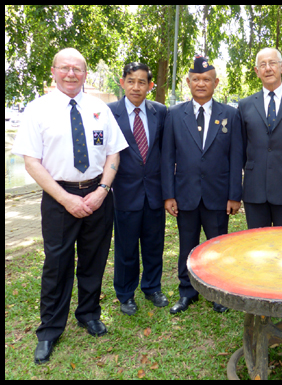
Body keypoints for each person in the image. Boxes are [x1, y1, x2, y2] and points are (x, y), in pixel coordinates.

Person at [11, 48, 128, 364]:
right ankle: (50, 330)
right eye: (65, 68)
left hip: (98, 195)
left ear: (86, 73)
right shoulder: (38, 110)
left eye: (78, 68)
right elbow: (32, 162)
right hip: (58, 196)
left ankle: (89, 314)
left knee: (94, 258)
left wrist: (103, 190)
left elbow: (113, 153)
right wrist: (65, 199)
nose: (72, 73)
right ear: (54, 71)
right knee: (57, 264)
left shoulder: (99, 109)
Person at [161, 56, 243, 314]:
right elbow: (167, 157)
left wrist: (234, 195)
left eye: (206, 79)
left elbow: (236, 156)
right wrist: (168, 195)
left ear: (216, 83)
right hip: (185, 194)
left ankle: (219, 292)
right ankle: (187, 291)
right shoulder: (174, 114)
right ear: (188, 82)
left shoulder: (230, 114)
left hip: (218, 196)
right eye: (195, 79)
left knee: (217, 246)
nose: (200, 83)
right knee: (187, 244)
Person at [107, 62, 169, 316]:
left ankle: (152, 287)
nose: (136, 86)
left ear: (150, 86)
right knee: (126, 248)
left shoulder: (161, 113)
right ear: (122, 82)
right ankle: (125, 293)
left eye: (142, 82)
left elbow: (166, 153)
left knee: (154, 245)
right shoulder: (109, 113)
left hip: (155, 193)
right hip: (124, 193)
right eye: (131, 81)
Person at [238, 48, 282, 228]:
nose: (268, 68)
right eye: (262, 65)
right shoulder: (245, 105)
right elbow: (239, 149)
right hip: (255, 192)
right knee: (257, 248)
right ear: (257, 71)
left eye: (272, 63)